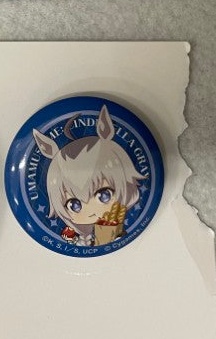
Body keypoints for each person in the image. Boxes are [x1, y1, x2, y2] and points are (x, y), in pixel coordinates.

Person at [33, 106, 145, 247]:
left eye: (104, 195)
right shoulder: (75, 238)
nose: (92, 212)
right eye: (74, 205)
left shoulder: (118, 230)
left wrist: (108, 236)